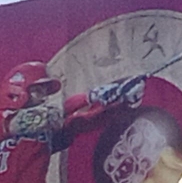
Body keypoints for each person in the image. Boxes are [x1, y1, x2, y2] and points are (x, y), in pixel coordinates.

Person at [0, 61, 144, 183]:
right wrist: (92, 96)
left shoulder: (42, 135)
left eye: (45, 93)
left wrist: (121, 102)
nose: (43, 98)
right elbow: (48, 117)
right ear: (17, 92)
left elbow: (78, 123)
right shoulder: (5, 119)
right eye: (38, 91)